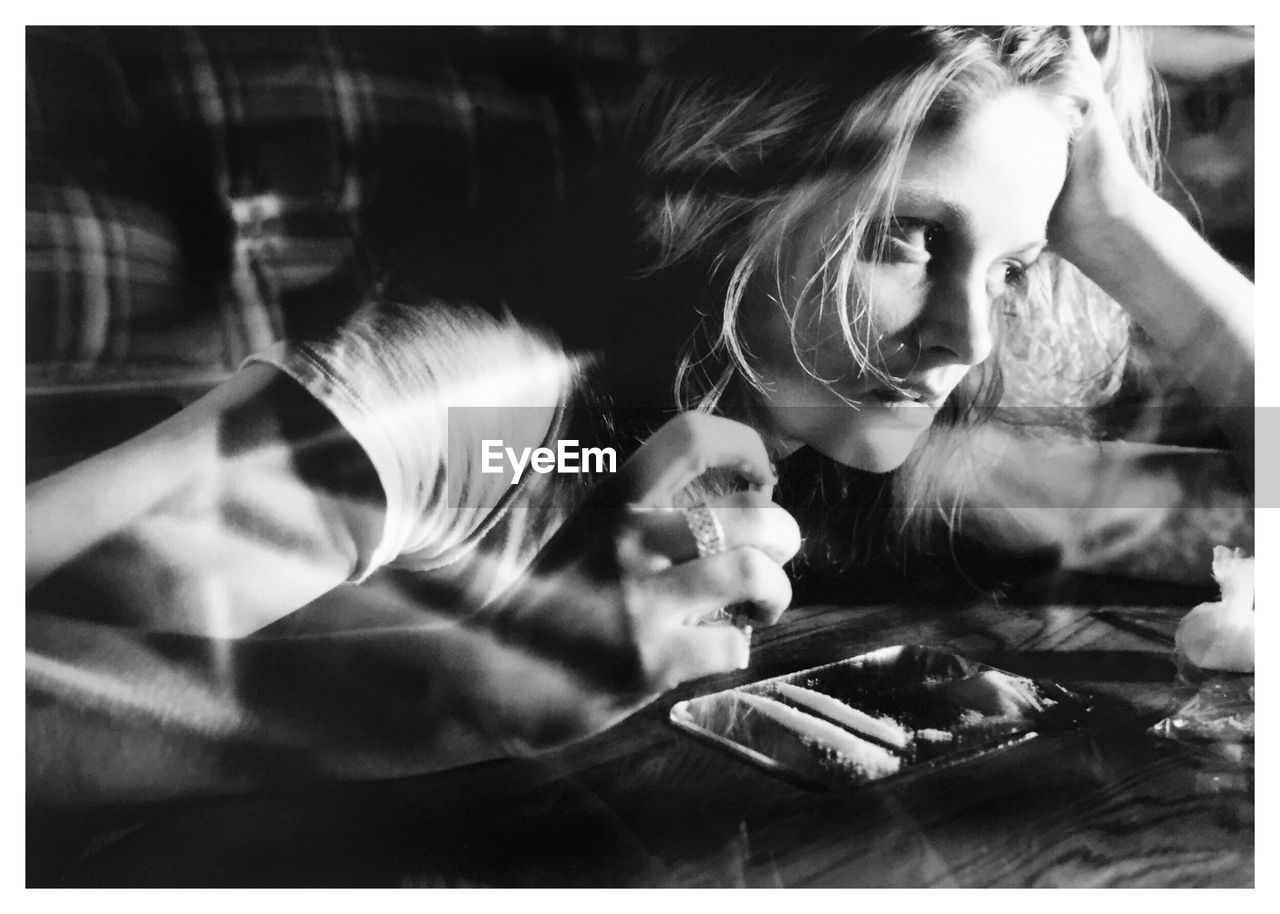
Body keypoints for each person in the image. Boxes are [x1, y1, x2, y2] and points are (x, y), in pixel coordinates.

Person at [26, 26, 1253, 806]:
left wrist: (1123, 229)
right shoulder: (492, 406)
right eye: (905, 237)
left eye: (1009, 266)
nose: (963, 337)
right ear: (740, 179)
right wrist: (458, 685)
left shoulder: (856, 435)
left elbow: (1233, 506)